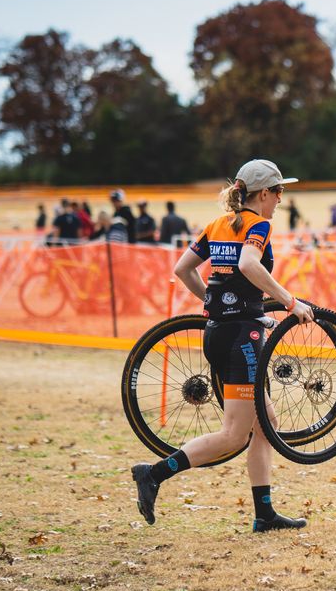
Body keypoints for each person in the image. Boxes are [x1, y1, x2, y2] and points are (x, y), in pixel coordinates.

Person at [131, 158, 315, 533]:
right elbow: (249, 264)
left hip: (220, 331)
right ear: (264, 194)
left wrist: (212, 303)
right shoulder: (258, 225)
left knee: (266, 425)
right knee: (234, 434)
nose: (281, 199)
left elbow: (183, 269)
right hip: (241, 338)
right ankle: (153, 473)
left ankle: (264, 514)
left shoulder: (217, 226)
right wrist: (290, 302)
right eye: (279, 191)